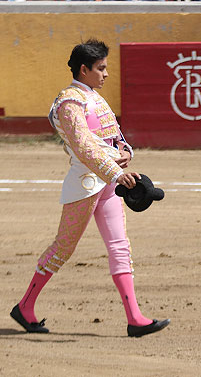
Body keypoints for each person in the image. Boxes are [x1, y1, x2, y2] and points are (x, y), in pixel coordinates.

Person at [10, 39, 170, 337]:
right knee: (63, 247)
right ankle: (25, 306)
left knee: (120, 246)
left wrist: (125, 153)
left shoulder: (93, 97)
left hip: (107, 182)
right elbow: (84, 147)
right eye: (101, 68)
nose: (106, 74)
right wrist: (115, 172)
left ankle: (135, 318)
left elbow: (113, 138)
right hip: (85, 184)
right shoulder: (69, 102)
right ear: (84, 69)